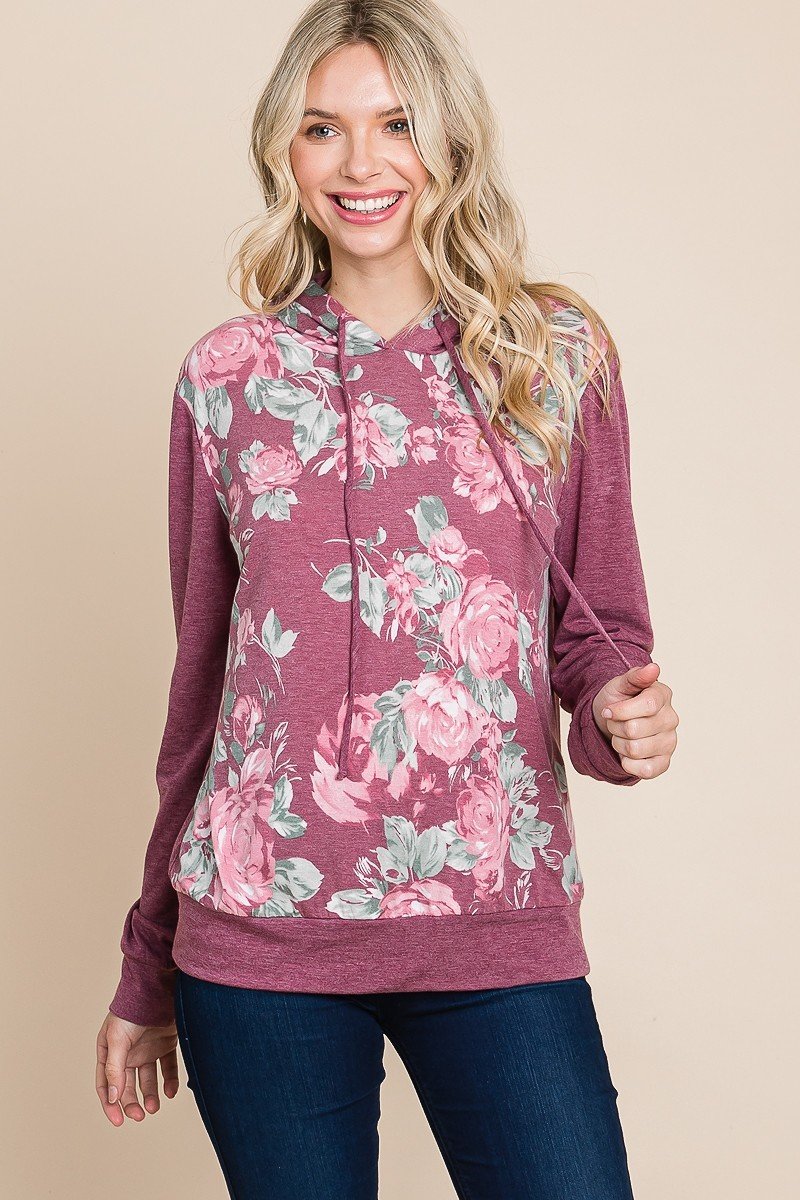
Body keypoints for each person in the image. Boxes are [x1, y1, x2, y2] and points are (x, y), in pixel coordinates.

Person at [95, 1, 679, 1196]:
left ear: (449, 140)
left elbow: (596, 630)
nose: (360, 163)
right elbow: (202, 690)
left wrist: (615, 718)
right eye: (323, 128)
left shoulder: (552, 356)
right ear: (284, 151)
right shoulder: (227, 379)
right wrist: (147, 964)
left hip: (495, 923)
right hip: (259, 946)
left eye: (396, 124)